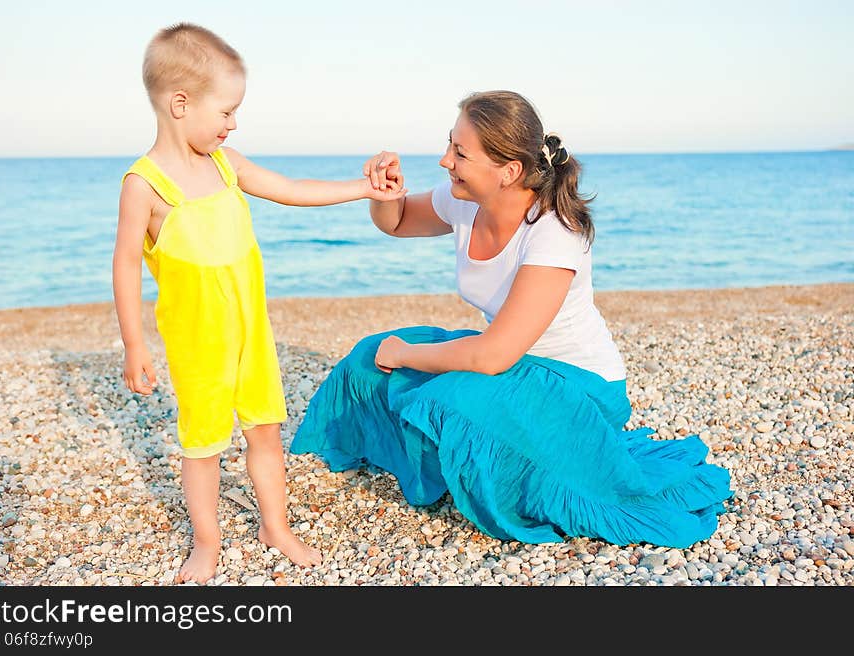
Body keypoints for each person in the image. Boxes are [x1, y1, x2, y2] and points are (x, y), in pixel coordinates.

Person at [291, 90, 733, 549]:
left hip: (577, 386)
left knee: (443, 388)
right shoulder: (465, 200)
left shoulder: (554, 234)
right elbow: (397, 222)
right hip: (507, 367)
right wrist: (385, 194)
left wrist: (407, 353)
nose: (445, 161)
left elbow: (492, 354)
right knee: (369, 357)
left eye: (460, 153)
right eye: (449, 145)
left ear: (509, 171)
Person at [112, 22, 405, 584]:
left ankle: (276, 525)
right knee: (202, 445)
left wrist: (362, 188)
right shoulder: (144, 185)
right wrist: (133, 344)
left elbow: (292, 189)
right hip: (199, 343)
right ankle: (206, 542)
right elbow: (126, 265)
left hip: (252, 333)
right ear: (180, 104)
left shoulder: (228, 164)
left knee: (265, 429)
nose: (233, 123)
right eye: (225, 111)